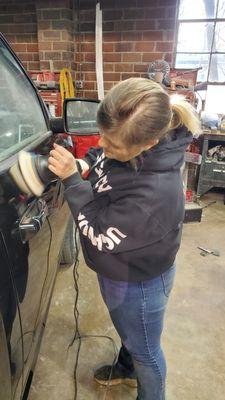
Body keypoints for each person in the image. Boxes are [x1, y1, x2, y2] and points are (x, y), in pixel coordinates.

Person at [48, 78, 200, 400]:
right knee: (131, 335)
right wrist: (84, 162)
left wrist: (73, 182)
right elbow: (102, 158)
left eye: (113, 144)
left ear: (148, 144)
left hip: (139, 282)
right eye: (102, 135)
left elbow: (99, 232)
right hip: (121, 267)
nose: (103, 144)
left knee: (146, 351)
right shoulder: (131, 141)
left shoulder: (154, 195)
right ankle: (127, 369)